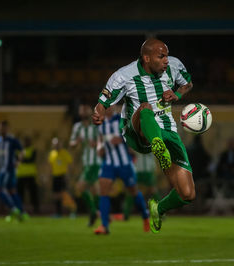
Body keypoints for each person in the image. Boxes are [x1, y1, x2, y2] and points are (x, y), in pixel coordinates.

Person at [92, 38, 194, 233]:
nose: (166, 60)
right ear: (146, 58)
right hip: (136, 131)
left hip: (167, 130)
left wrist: (178, 95)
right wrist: (99, 113)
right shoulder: (124, 75)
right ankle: (156, 143)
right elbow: (103, 102)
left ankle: (158, 208)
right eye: (161, 56)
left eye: (166, 55)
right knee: (145, 107)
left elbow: (187, 84)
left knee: (187, 194)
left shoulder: (174, 65)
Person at [94, 106, 149, 234]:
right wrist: (99, 149)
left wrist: (122, 140)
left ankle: (145, 216)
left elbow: (134, 136)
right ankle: (104, 225)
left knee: (133, 191)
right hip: (109, 163)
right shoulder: (100, 123)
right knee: (103, 191)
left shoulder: (122, 120)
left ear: (114, 107)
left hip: (124, 163)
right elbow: (100, 142)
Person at [70, 104, 101, 226]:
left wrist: (97, 144)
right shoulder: (77, 127)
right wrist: (76, 142)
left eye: (85, 110)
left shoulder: (96, 125)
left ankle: (94, 212)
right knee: (94, 190)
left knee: (80, 187)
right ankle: (99, 212)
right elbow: (71, 143)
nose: (83, 112)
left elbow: (104, 140)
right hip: (86, 162)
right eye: (81, 110)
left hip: (95, 162)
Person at [0, 120, 26, 222]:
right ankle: (21, 213)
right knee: (12, 191)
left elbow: (22, 151)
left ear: (7, 128)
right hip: (2, 169)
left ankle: (13, 209)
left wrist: (18, 161)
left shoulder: (12, 140)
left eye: (3, 127)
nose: (1, 129)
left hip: (8, 169)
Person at [48, 137, 77, 217]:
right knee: (56, 195)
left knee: (65, 194)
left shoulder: (64, 153)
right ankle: (58, 212)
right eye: (54, 144)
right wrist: (50, 177)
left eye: (57, 144)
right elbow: (50, 166)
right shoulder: (52, 154)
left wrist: (70, 174)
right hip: (55, 176)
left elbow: (71, 163)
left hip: (63, 176)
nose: (56, 146)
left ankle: (72, 211)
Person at [16, 136, 40, 214]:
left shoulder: (32, 150)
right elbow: (16, 159)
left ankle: (36, 209)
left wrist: (22, 159)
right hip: (20, 174)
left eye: (28, 141)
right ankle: (19, 208)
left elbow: (31, 160)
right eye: (25, 141)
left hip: (30, 174)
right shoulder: (19, 150)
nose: (26, 143)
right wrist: (21, 159)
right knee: (20, 194)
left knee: (33, 193)